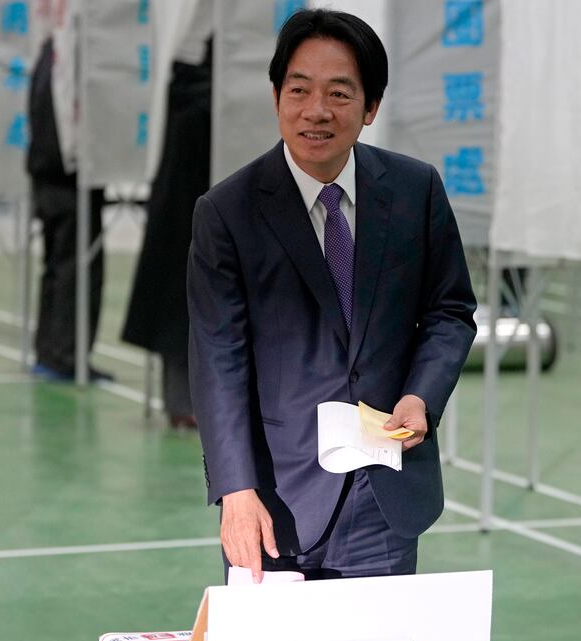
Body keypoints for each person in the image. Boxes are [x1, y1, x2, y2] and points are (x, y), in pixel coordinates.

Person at [187, 9, 477, 582]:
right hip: (275, 502)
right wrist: (236, 490)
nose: (316, 110)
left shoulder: (415, 189)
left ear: (370, 108)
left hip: (384, 495)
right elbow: (217, 362)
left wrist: (422, 396)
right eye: (299, 89)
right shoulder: (227, 212)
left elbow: (449, 310)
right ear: (277, 96)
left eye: (340, 93)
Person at [122, 9, 213, 429]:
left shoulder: (187, 96)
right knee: (183, 308)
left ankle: (184, 403)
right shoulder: (200, 102)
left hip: (184, 222)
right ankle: (183, 403)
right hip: (186, 223)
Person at [26, 9, 111, 382]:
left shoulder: (47, 56)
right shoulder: (69, 65)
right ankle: (67, 357)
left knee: (56, 266)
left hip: (46, 175)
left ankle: (50, 351)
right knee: (78, 268)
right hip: (69, 177)